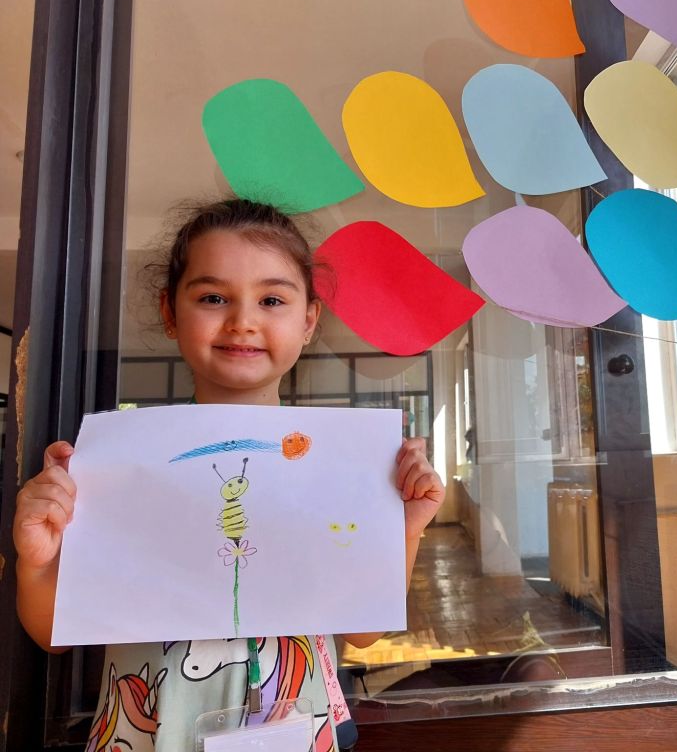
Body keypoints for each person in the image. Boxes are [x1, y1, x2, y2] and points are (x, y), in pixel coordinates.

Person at [12, 198, 445, 751]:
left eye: (272, 300)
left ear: (308, 320)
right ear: (170, 311)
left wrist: (404, 528)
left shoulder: (340, 469)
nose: (243, 321)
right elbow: (53, 636)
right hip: (148, 731)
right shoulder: (114, 470)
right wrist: (37, 560)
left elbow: (363, 631)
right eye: (213, 297)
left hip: (295, 727)